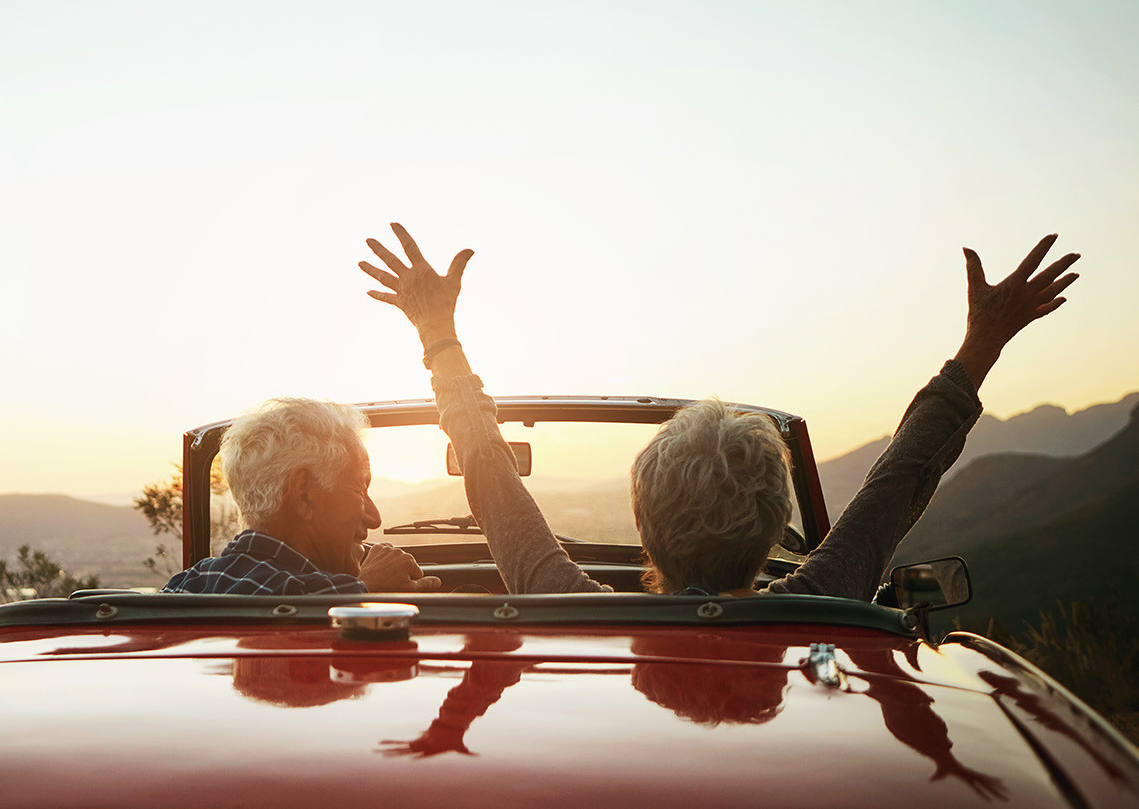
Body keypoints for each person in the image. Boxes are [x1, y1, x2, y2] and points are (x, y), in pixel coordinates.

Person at [360, 223, 1079, 600]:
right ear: (773, 529)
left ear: (641, 522)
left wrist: (439, 337)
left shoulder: (563, 599)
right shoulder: (823, 596)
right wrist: (981, 342)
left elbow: (488, 472)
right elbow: (905, 476)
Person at [162, 397, 443, 595]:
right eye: (359, 488)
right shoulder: (293, 595)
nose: (374, 518)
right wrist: (365, 590)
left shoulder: (184, 587)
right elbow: (274, 603)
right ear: (303, 494)